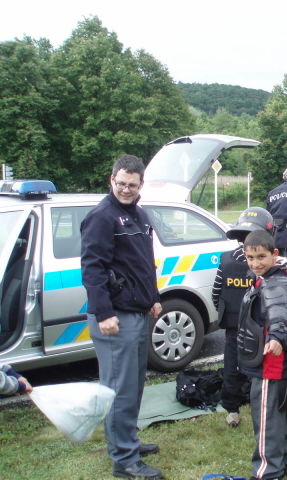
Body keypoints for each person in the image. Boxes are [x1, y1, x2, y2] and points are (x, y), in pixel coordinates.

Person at [81, 155, 163, 480]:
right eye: (121, 184)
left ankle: (128, 440)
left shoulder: (138, 215)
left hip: (138, 312)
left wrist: (153, 298)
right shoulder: (102, 217)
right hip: (115, 317)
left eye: (132, 185)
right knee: (119, 389)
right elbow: (92, 268)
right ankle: (124, 460)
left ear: (141, 184)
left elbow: (144, 262)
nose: (126, 189)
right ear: (111, 179)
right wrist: (103, 312)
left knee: (134, 385)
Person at [236, 230, 287, 480]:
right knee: (281, 414)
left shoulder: (273, 285)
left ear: (275, 254)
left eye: (262, 257)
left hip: (270, 366)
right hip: (279, 365)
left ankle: (267, 471)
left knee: (265, 421)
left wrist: (276, 337)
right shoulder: (272, 279)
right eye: (250, 258)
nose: (256, 263)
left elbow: (278, 315)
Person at [212, 207, 277, 428]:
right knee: (265, 367)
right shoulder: (270, 261)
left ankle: (232, 409)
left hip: (234, 327)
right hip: (263, 328)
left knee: (232, 366)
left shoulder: (226, 259)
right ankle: (267, 406)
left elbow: (216, 294)